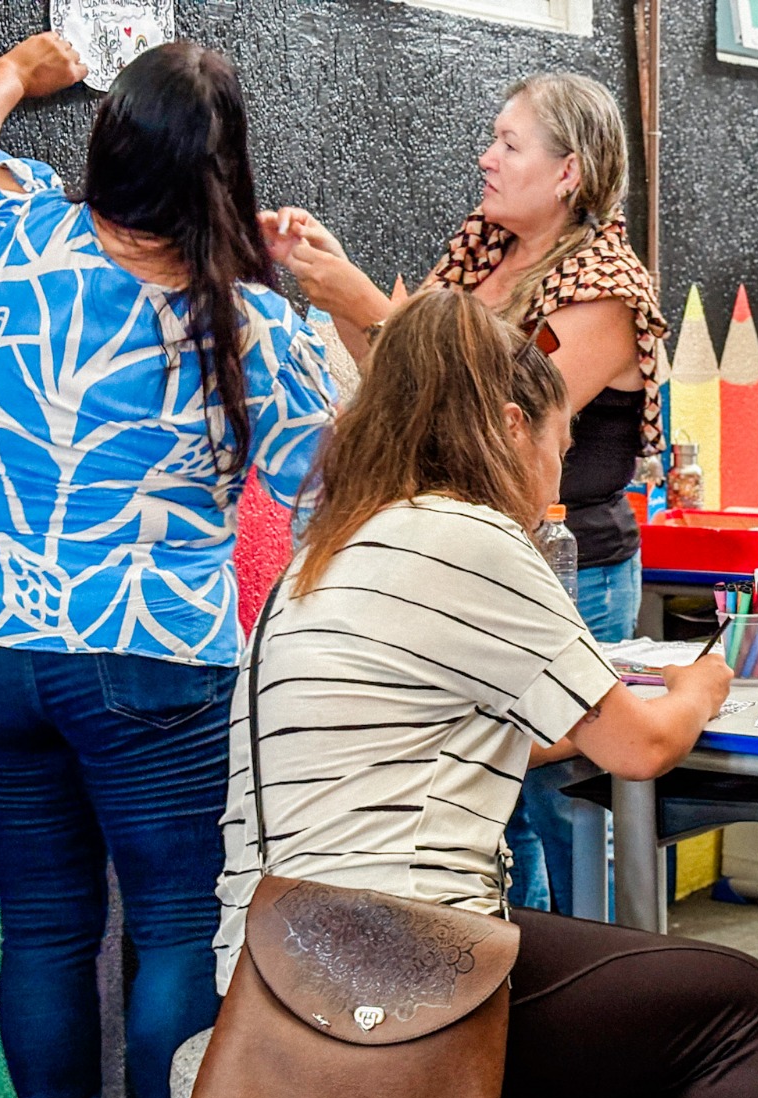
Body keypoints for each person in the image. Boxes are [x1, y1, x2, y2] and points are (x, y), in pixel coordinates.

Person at [215, 287, 758, 1098]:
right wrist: (703, 683)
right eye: (558, 449)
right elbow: (640, 748)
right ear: (512, 425)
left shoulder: (330, 546)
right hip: (393, 968)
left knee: (647, 1011)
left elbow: (446, 749)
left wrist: (589, 730)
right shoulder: (466, 533)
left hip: (269, 960)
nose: (554, 487)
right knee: (738, 1005)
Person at [0, 36, 338, 1098]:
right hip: (150, 656)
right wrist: (333, 296)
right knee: (169, 927)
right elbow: (333, 482)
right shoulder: (253, 324)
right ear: (226, 176)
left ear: (107, 153)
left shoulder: (16, 239)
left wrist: (16, 69)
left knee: (42, 926)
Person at [264, 72, 663, 913]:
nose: (485, 158)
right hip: (462, 561)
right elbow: (407, 382)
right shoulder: (478, 255)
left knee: (567, 798)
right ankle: (503, 976)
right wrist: (339, 287)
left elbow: (500, 418)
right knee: (485, 797)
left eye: (510, 143)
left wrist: (364, 301)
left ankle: (594, 981)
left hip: (566, 565)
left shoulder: (602, 289)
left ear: (569, 172)